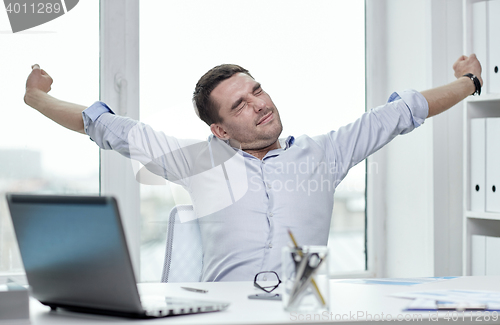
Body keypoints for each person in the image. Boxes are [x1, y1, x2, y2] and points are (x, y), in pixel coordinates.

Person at [24, 55, 482, 281]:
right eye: (239, 105)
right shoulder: (198, 162)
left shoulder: (326, 152)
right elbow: (105, 126)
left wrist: (469, 80)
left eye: (257, 90)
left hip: (303, 312)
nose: (260, 105)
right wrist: (38, 97)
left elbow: (404, 113)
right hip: (223, 315)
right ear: (219, 130)